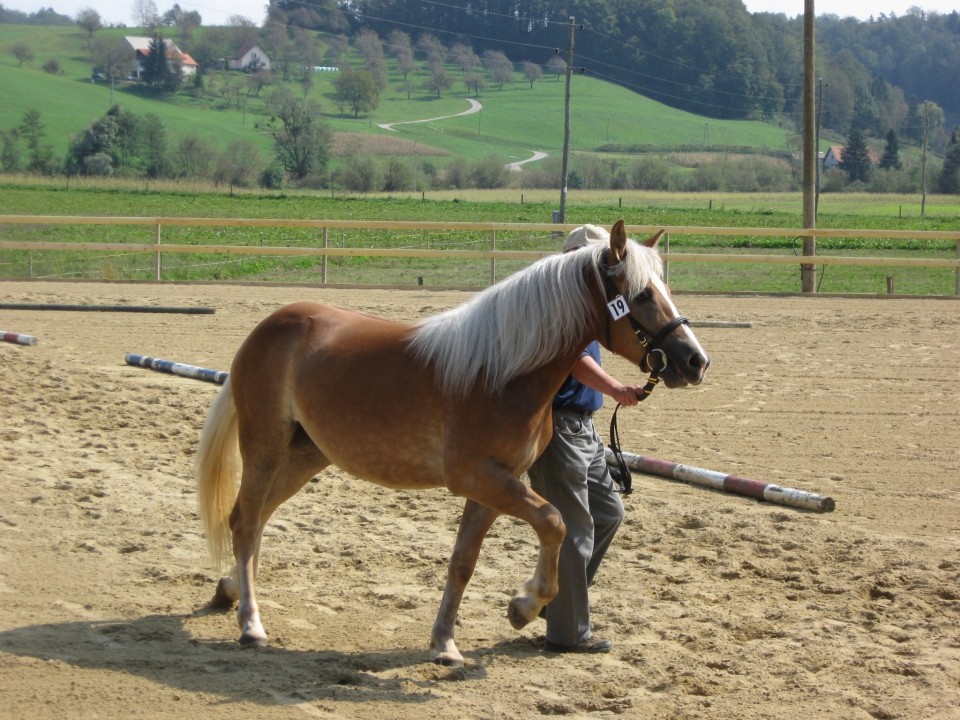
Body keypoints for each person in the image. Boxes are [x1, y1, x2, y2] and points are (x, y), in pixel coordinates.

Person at [527, 224, 644, 654]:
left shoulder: (588, 304)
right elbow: (575, 361)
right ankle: (567, 633)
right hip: (559, 426)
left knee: (609, 513)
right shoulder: (557, 305)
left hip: (585, 428)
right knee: (576, 529)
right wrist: (615, 388)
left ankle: (557, 603)